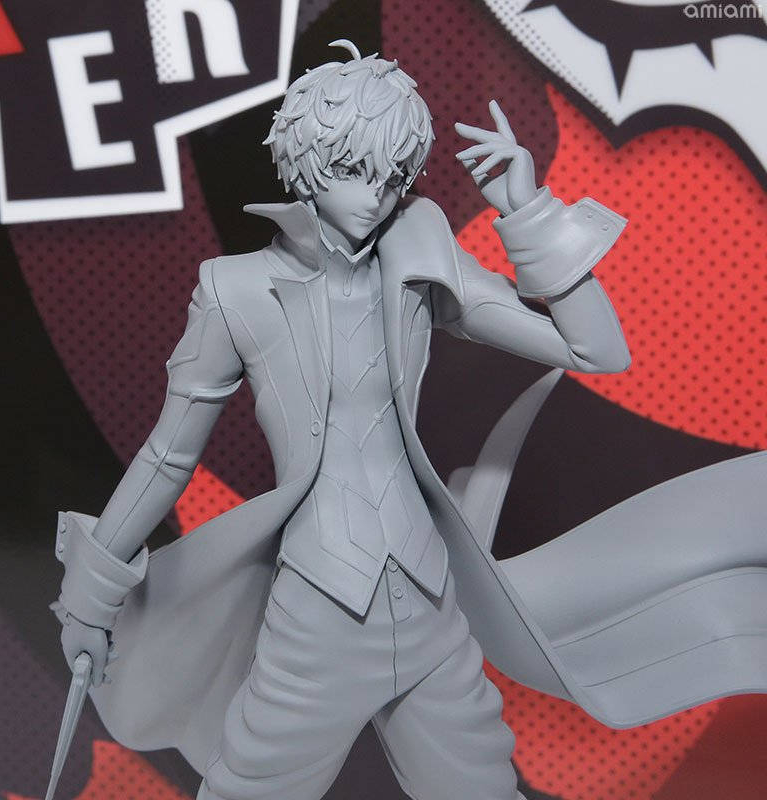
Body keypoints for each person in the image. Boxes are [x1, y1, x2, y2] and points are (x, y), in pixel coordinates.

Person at [53, 40, 767, 800]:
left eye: (394, 176)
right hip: (318, 615)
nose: (375, 195)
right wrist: (90, 598)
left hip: (430, 612)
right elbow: (169, 455)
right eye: (352, 169)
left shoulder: (421, 266)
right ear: (306, 163)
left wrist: (526, 208)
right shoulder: (236, 291)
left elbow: (595, 349)